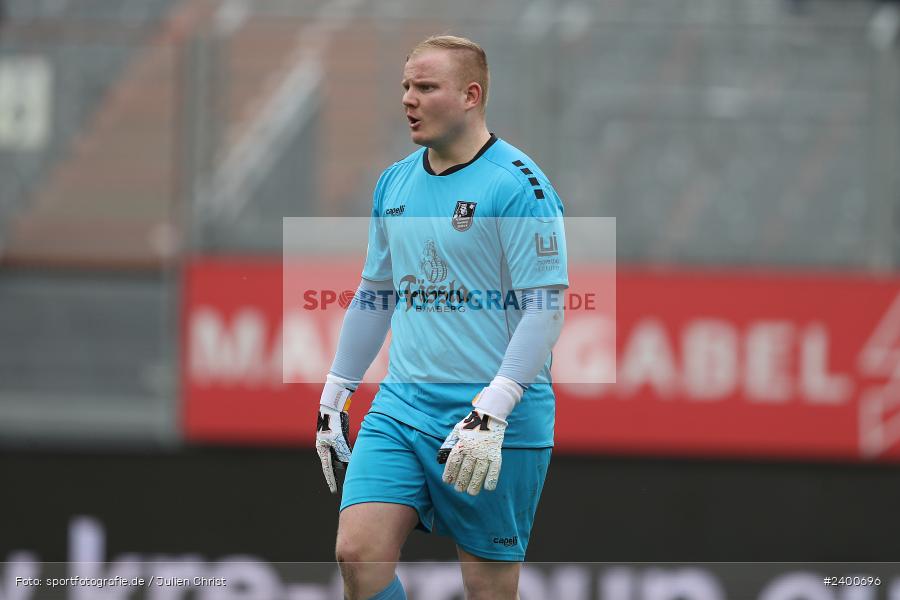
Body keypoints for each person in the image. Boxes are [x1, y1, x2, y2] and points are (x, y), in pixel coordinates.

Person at [315, 35, 568, 600]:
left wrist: (494, 409)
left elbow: (546, 306)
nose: (409, 99)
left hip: (495, 422)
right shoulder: (395, 182)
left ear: (471, 95)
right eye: (406, 86)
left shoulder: (519, 185)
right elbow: (377, 291)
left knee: (489, 591)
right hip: (403, 408)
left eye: (426, 87)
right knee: (358, 553)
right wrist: (337, 389)